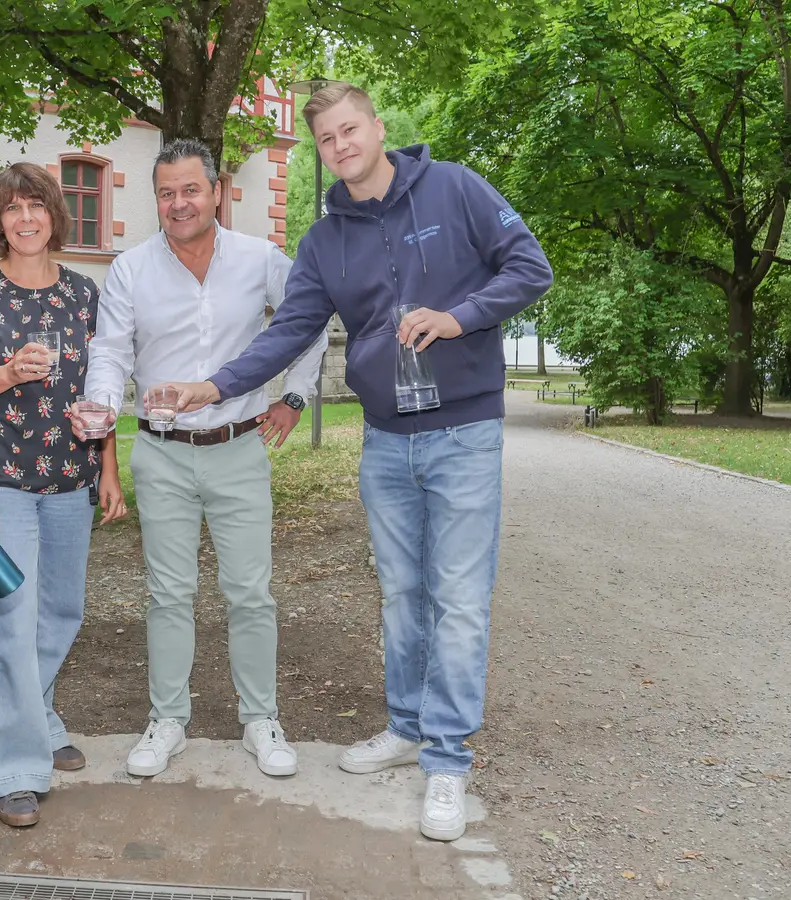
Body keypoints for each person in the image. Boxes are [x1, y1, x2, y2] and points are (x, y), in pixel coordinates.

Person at [163, 82, 553, 842]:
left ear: (377, 128)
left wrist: (457, 316)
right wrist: (214, 385)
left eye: (350, 130)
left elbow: (529, 268)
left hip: (465, 432)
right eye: (326, 140)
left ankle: (447, 758)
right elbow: (289, 334)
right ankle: (407, 728)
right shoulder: (323, 240)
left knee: (461, 599)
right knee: (402, 595)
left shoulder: (456, 188)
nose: (341, 146)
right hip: (385, 440)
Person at [80, 138, 328, 780]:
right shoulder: (132, 269)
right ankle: (167, 720)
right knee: (168, 594)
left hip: (238, 447)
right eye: (166, 193)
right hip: (161, 455)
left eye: (191, 190)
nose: (179, 203)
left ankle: (260, 719)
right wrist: (101, 407)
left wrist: (294, 397)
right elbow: (109, 351)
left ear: (215, 191)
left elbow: (309, 321)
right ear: (155, 199)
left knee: (250, 593)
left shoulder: (260, 259)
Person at [0, 162, 128, 827]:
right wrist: (6, 373)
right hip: (3, 481)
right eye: (13, 207)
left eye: (37, 206)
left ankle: (36, 717)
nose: (26, 218)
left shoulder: (83, 293)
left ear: (55, 216)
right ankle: (12, 767)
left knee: (61, 609)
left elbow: (105, 387)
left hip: (72, 480)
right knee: (12, 616)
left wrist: (109, 468)